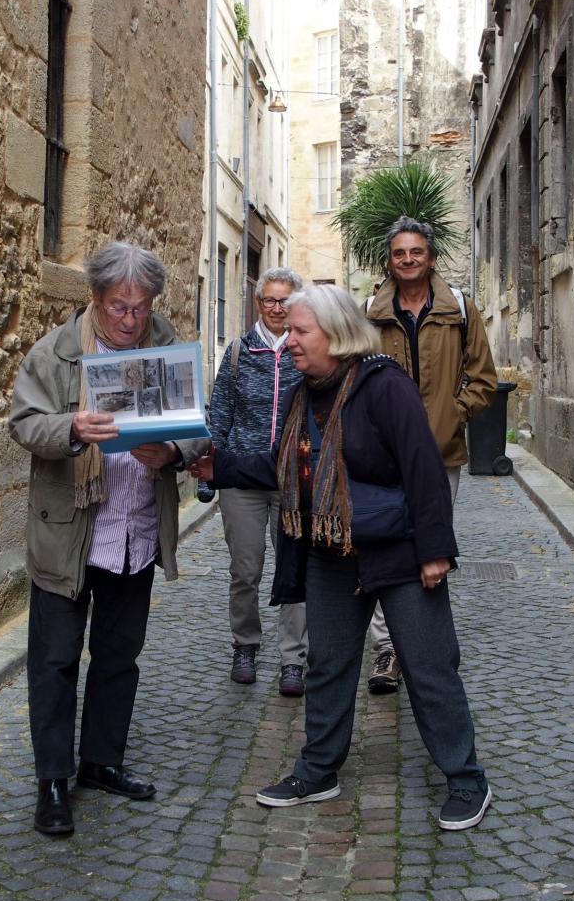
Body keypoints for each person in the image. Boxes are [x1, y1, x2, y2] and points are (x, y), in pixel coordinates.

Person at [191, 284, 492, 831]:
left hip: (399, 554)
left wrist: (435, 552)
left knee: (428, 667)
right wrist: (222, 468)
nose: (289, 342)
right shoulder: (304, 393)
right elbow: (289, 471)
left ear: (335, 334)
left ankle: (465, 777)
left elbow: (424, 469)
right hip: (331, 552)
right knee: (327, 664)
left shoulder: (385, 388)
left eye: (300, 332)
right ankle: (319, 769)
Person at [9, 241, 208, 837]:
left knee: (119, 656)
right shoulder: (56, 352)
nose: (130, 319)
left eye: (140, 308)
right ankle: (52, 781)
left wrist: (172, 451)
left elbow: (198, 425)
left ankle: (100, 761)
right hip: (69, 533)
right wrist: (71, 427)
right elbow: (22, 423)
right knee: (55, 659)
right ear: (95, 299)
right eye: (120, 307)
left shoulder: (164, 341)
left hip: (135, 531)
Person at [364, 216, 497, 696]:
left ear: (431, 257)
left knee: (430, 545)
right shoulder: (371, 313)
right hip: (384, 457)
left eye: (415, 252)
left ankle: (424, 646)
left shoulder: (460, 309)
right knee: (385, 544)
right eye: (399, 253)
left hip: (441, 454)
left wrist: (452, 415)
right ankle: (388, 650)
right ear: (390, 260)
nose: (407, 260)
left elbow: (483, 378)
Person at [204, 267, 308, 695]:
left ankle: (293, 658)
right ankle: (245, 645)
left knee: (294, 569)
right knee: (244, 570)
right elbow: (220, 414)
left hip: (293, 481)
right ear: (258, 302)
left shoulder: (308, 349)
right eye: (269, 300)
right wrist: (212, 472)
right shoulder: (238, 353)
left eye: (284, 300)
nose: (277, 307)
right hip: (242, 480)